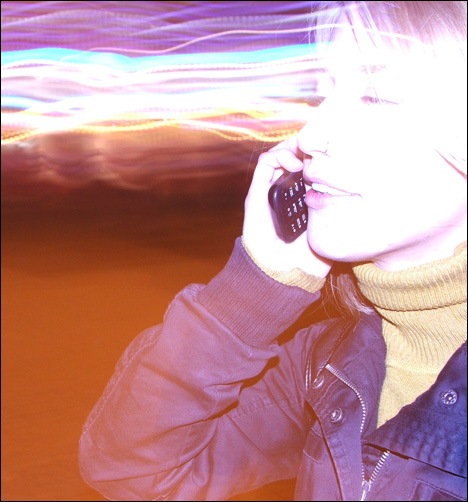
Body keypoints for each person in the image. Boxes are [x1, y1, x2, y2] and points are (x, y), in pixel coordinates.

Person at [78, 1, 467, 500]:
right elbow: (133, 472)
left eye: (375, 96)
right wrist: (255, 290)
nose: (312, 136)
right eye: (322, 94)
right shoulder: (334, 363)